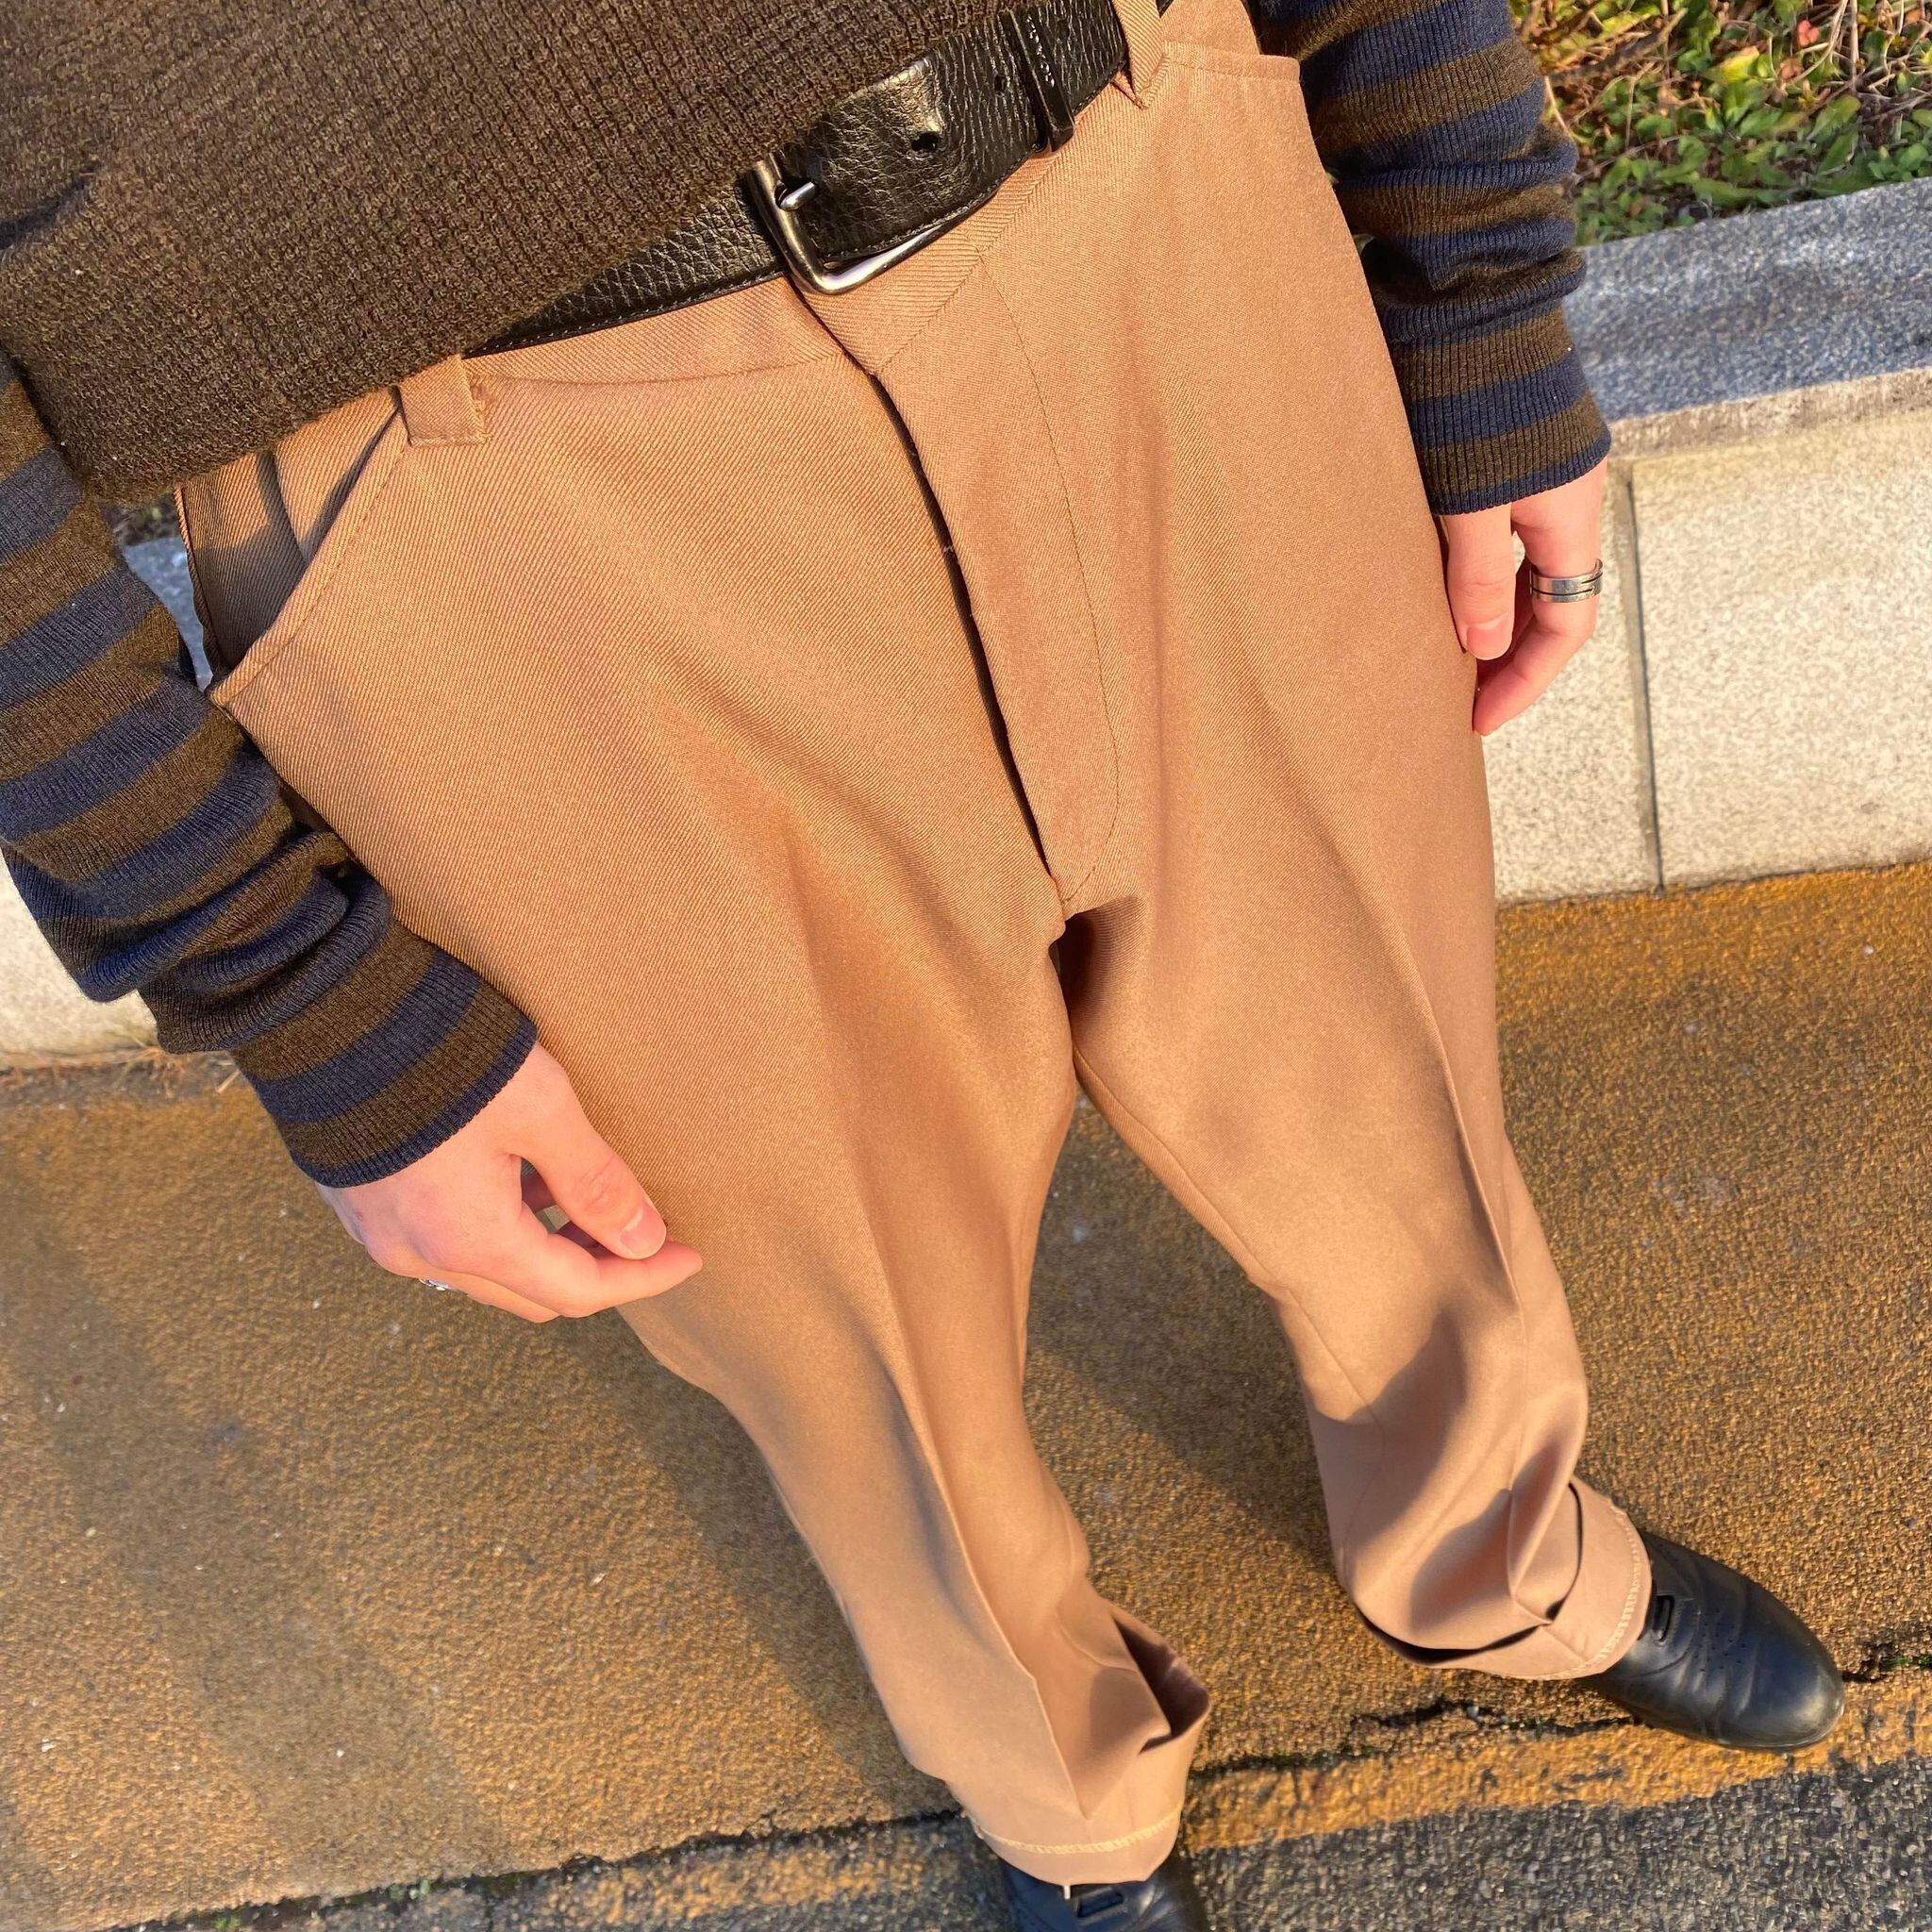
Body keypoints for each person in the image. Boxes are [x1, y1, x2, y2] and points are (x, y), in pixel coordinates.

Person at [0, 0, 1843, 1924]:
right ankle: (1060, 1784)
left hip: (1140, 182)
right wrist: (285, 978)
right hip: (472, 491)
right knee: (839, 1309)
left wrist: (1474, 277)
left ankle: (1498, 1541)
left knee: (1377, 1052)